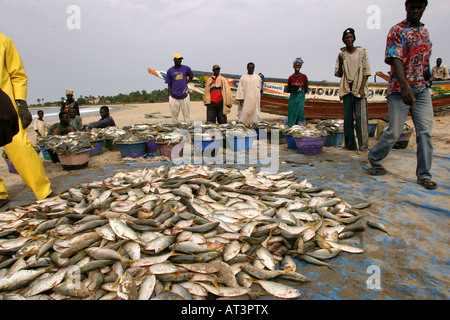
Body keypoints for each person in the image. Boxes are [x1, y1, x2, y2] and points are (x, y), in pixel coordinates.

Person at [366, 0, 436, 190]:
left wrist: (427, 81)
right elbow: (395, 59)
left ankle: (424, 174)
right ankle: (374, 157)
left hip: (422, 90)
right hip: (399, 90)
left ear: (423, 9)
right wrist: (405, 88)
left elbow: (424, 61)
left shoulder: (425, 31)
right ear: (406, 7)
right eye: (412, 7)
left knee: (425, 132)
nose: (415, 11)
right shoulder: (397, 30)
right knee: (394, 132)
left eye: (419, 7)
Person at [0, 33, 54, 207]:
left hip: (4, 106)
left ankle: (43, 192)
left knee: (20, 147)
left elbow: (18, 75)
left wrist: (21, 103)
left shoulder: (3, 41)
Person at [335, 28, 372, 151]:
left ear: (354, 38)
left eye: (351, 37)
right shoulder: (341, 55)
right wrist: (340, 62)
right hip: (346, 89)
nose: (349, 39)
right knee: (348, 119)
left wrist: (361, 88)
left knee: (361, 119)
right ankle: (350, 145)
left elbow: (366, 72)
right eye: (346, 38)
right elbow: (339, 74)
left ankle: (363, 146)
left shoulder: (362, 52)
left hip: (358, 88)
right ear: (343, 40)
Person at [165, 54, 194, 124]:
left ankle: (187, 128)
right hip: (174, 96)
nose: (180, 61)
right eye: (178, 59)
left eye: (181, 59)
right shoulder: (170, 71)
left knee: (186, 115)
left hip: (185, 95)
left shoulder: (186, 68)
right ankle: (175, 128)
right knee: (174, 115)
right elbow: (169, 84)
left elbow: (191, 76)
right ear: (174, 60)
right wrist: (169, 95)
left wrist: (186, 82)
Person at [287, 58, 309, 126]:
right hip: (293, 96)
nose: (297, 67)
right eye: (296, 66)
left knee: (300, 110)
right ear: (293, 66)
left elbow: (306, 88)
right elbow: (289, 89)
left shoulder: (304, 77)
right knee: (292, 110)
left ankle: (301, 124)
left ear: (301, 67)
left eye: (298, 66)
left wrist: (300, 94)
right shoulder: (290, 77)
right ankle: (291, 124)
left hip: (301, 96)